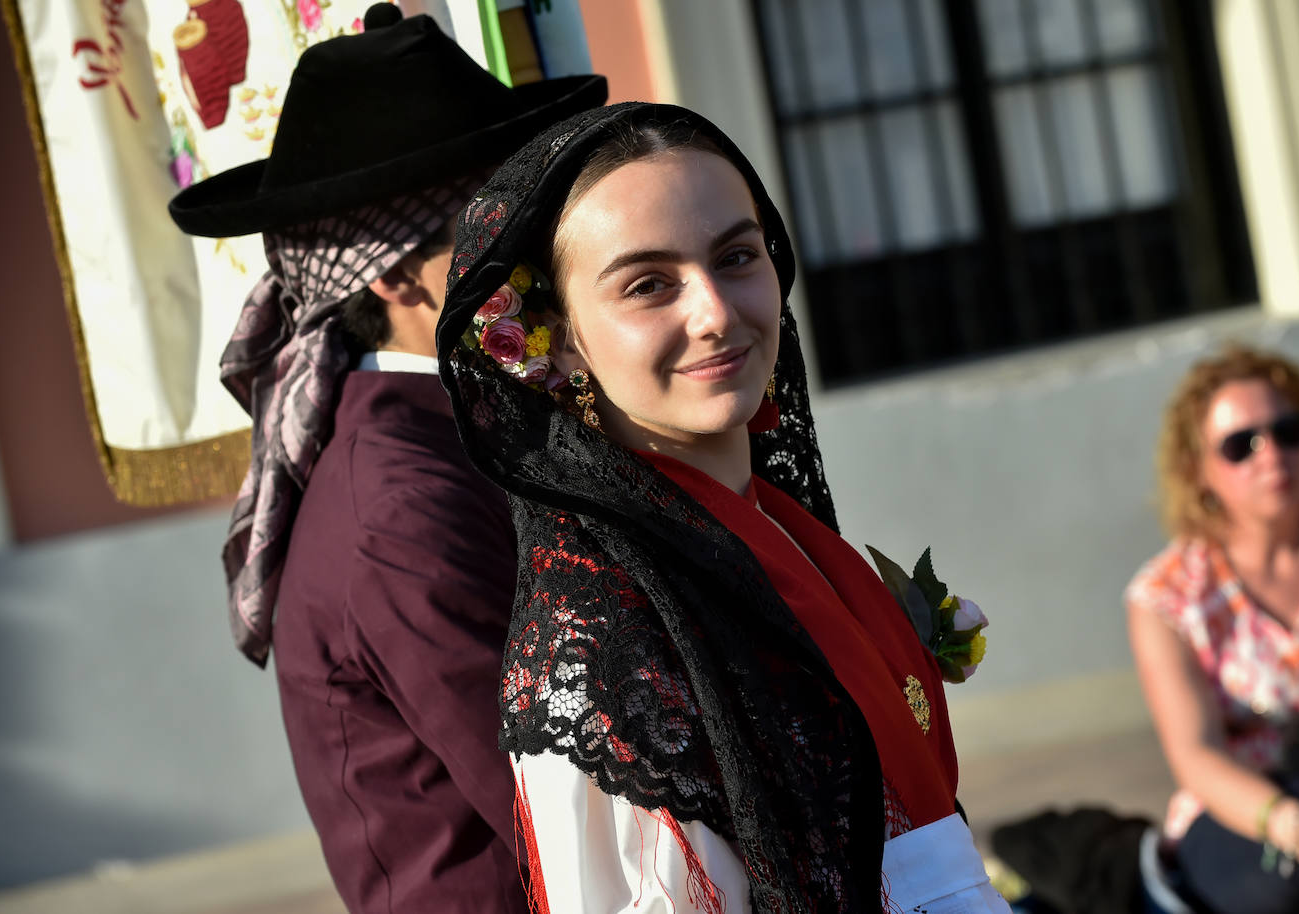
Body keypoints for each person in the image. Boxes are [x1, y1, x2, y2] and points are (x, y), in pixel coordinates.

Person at [434, 102, 1008, 913]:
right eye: (647, 284)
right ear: (557, 340)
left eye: (736, 256)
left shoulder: (785, 531)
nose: (714, 313)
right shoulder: (605, 632)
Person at [167, 6, 606, 912]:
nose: (539, 249)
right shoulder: (399, 505)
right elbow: (567, 803)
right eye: (498, 223)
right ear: (397, 278)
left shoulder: (461, 425)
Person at [1126, 344, 1299, 913]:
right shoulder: (1168, 595)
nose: (1272, 456)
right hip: (1245, 810)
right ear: (1198, 469)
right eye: (1241, 445)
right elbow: (1196, 756)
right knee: (1280, 886)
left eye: (1288, 431)